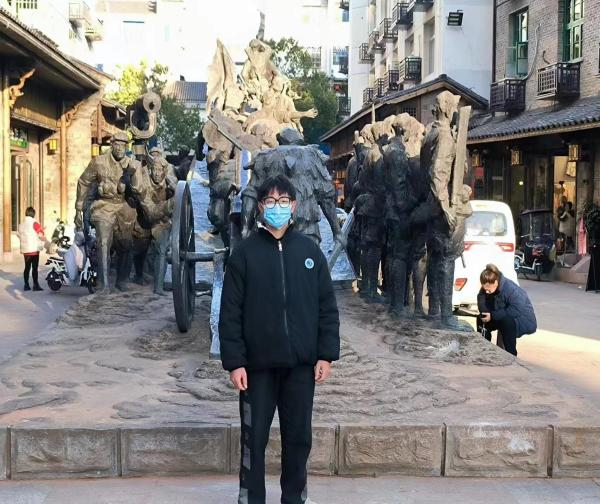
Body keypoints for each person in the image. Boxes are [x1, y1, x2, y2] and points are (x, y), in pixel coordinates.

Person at [219, 175, 340, 504]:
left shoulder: (309, 252)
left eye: (283, 201)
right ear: (260, 207)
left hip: (300, 367)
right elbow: (230, 313)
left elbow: (327, 308)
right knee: (253, 439)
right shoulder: (244, 254)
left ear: (293, 206)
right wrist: (235, 362)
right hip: (256, 368)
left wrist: (325, 355)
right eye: (270, 201)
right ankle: (251, 498)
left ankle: (295, 498)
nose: (277, 207)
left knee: (298, 439)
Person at [477, 264, 537, 357]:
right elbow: (481, 297)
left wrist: (493, 315)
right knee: (481, 318)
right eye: (485, 289)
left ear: (495, 282)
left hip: (521, 318)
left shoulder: (511, 289)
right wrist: (485, 312)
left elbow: (516, 309)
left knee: (506, 323)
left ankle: (511, 355)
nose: (487, 292)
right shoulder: (488, 285)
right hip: (502, 314)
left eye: (488, 290)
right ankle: (484, 349)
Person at [17, 207, 47, 291]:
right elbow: (40, 234)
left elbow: (18, 234)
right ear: (33, 214)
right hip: (34, 249)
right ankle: (35, 285)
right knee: (34, 268)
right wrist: (43, 231)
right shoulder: (35, 223)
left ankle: (26, 285)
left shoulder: (21, 224)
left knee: (27, 267)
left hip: (26, 250)